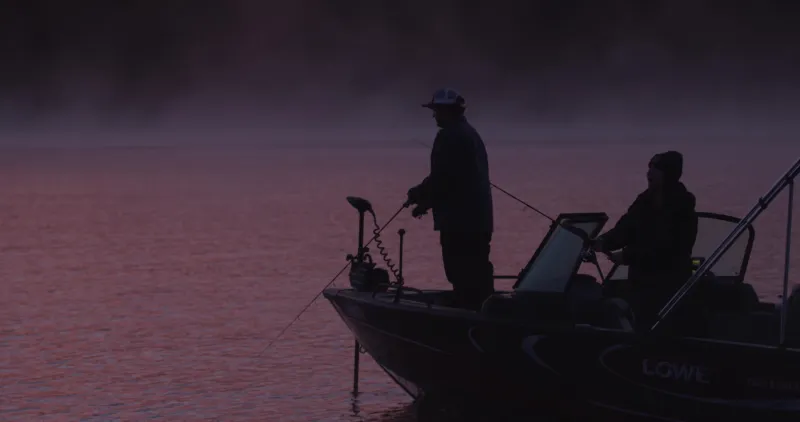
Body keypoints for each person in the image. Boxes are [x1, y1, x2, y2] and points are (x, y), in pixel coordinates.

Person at [405, 88, 495, 310]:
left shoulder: (449, 136)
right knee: (478, 270)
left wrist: (420, 198)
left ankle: (468, 314)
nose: (434, 115)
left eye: (436, 110)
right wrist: (424, 199)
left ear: (447, 111)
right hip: (479, 220)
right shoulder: (469, 133)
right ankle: (484, 310)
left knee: (460, 271)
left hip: (459, 222)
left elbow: (444, 179)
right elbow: (451, 178)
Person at [591, 151, 698, 328]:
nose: (649, 173)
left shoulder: (682, 207)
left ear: (669, 173)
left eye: (656, 169)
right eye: (649, 168)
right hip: (640, 281)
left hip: (668, 284)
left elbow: (666, 248)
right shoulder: (644, 201)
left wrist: (626, 256)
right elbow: (625, 229)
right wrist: (603, 241)